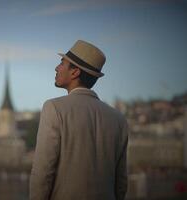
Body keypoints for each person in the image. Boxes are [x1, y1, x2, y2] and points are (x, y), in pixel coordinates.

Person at [29, 40, 128, 200]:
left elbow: (43, 171)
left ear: (75, 72)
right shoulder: (119, 119)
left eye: (62, 63)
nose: (56, 68)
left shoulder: (54, 108)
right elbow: (121, 181)